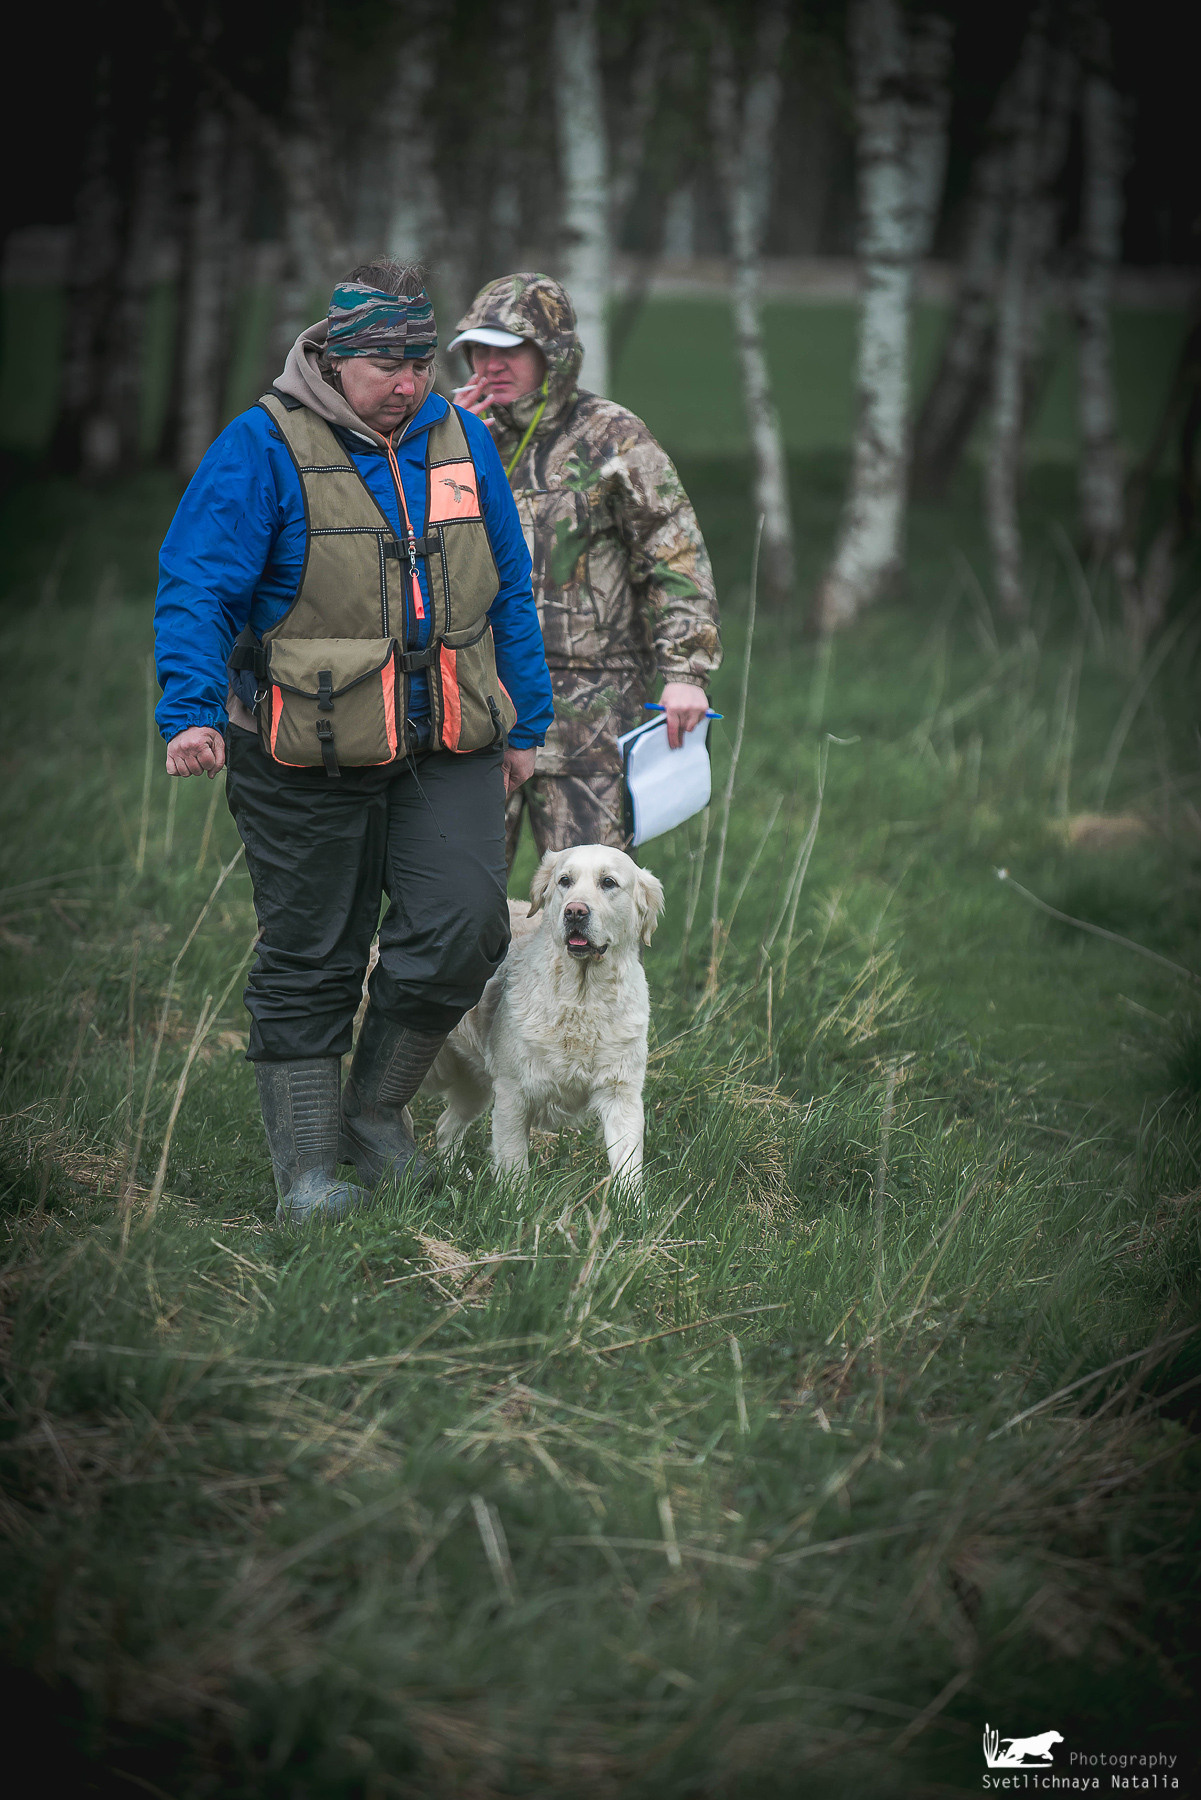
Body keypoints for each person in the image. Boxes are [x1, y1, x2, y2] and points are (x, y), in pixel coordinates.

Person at [154, 259, 553, 1224]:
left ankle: (372, 1121)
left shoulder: (458, 441)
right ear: (332, 357)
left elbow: (506, 579)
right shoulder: (261, 446)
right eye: (386, 362)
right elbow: (195, 583)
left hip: (445, 739)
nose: (407, 380)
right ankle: (306, 1176)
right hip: (299, 749)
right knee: (312, 953)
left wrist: (527, 722)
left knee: (466, 924)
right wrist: (191, 709)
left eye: (420, 360)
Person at [447, 273, 721, 864]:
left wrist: (686, 673)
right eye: (479, 348)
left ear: (554, 353)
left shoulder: (612, 438)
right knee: (455, 903)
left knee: (590, 914)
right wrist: (433, 443)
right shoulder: (454, 438)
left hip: (594, 706)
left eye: (509, 348)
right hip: (479, 698)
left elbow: (674, 555)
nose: (490, 363)